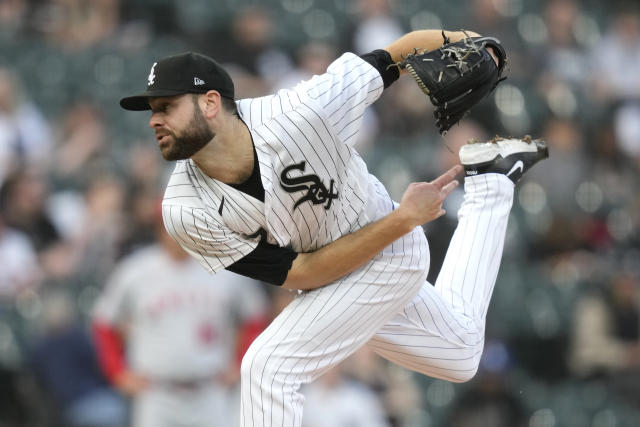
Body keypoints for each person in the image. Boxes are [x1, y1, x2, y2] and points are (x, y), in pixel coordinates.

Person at [119, 28, 548, 426]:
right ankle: (492, 181)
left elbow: (393, 56)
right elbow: (300, 272)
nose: (154, 119)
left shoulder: (301, 112)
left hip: (389, 254)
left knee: (268, 367)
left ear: (210, 103)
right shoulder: (183, 210)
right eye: (153, 110)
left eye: (167, 106)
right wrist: (405, 218)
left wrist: (468, 39)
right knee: (461, 353)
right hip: (330, 274)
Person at [91, 209, 269, 427]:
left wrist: (241, 364)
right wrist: (117, 372)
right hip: (156, 393)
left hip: (211, 390)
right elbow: (104, 323)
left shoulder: (226, 266)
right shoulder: (135, 271)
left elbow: (255, 318)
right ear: (160, 230)